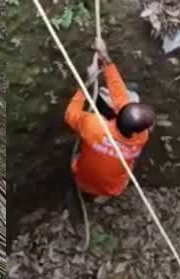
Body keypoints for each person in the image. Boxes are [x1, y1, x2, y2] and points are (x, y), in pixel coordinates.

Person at [64, 38, 156, 199]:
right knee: (130, 91)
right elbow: (120, 97)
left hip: (82, 178)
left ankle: (87, 193)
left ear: (119, 114)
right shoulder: (141, 137)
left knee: (128, 91)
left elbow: (70, 114)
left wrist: (87, 82)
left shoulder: (94, 125)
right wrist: (104, 56)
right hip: (112, 188)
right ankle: (99, 196)